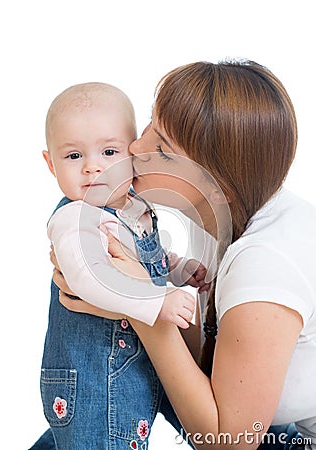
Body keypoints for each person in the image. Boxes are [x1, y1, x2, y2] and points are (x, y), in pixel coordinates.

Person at [34, 59, 316, 450]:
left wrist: (140, 302)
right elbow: (205, 364)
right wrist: (167, 278)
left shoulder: (265, 262)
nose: (136, 146)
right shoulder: (243, 210)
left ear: (217, 182)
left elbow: (230, 442)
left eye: (162, 149)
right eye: (151, 123)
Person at [32, 82, 209, 450]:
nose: (92, 166)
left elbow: (148, 260)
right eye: (73, 156)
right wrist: (156, 302)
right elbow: (88, 277)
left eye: (109, 151)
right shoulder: (77, 218)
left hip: (135, 367)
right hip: (96, 376)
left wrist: (177, 269)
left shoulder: (132, 207)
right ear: (51, 164)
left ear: (132, 154)